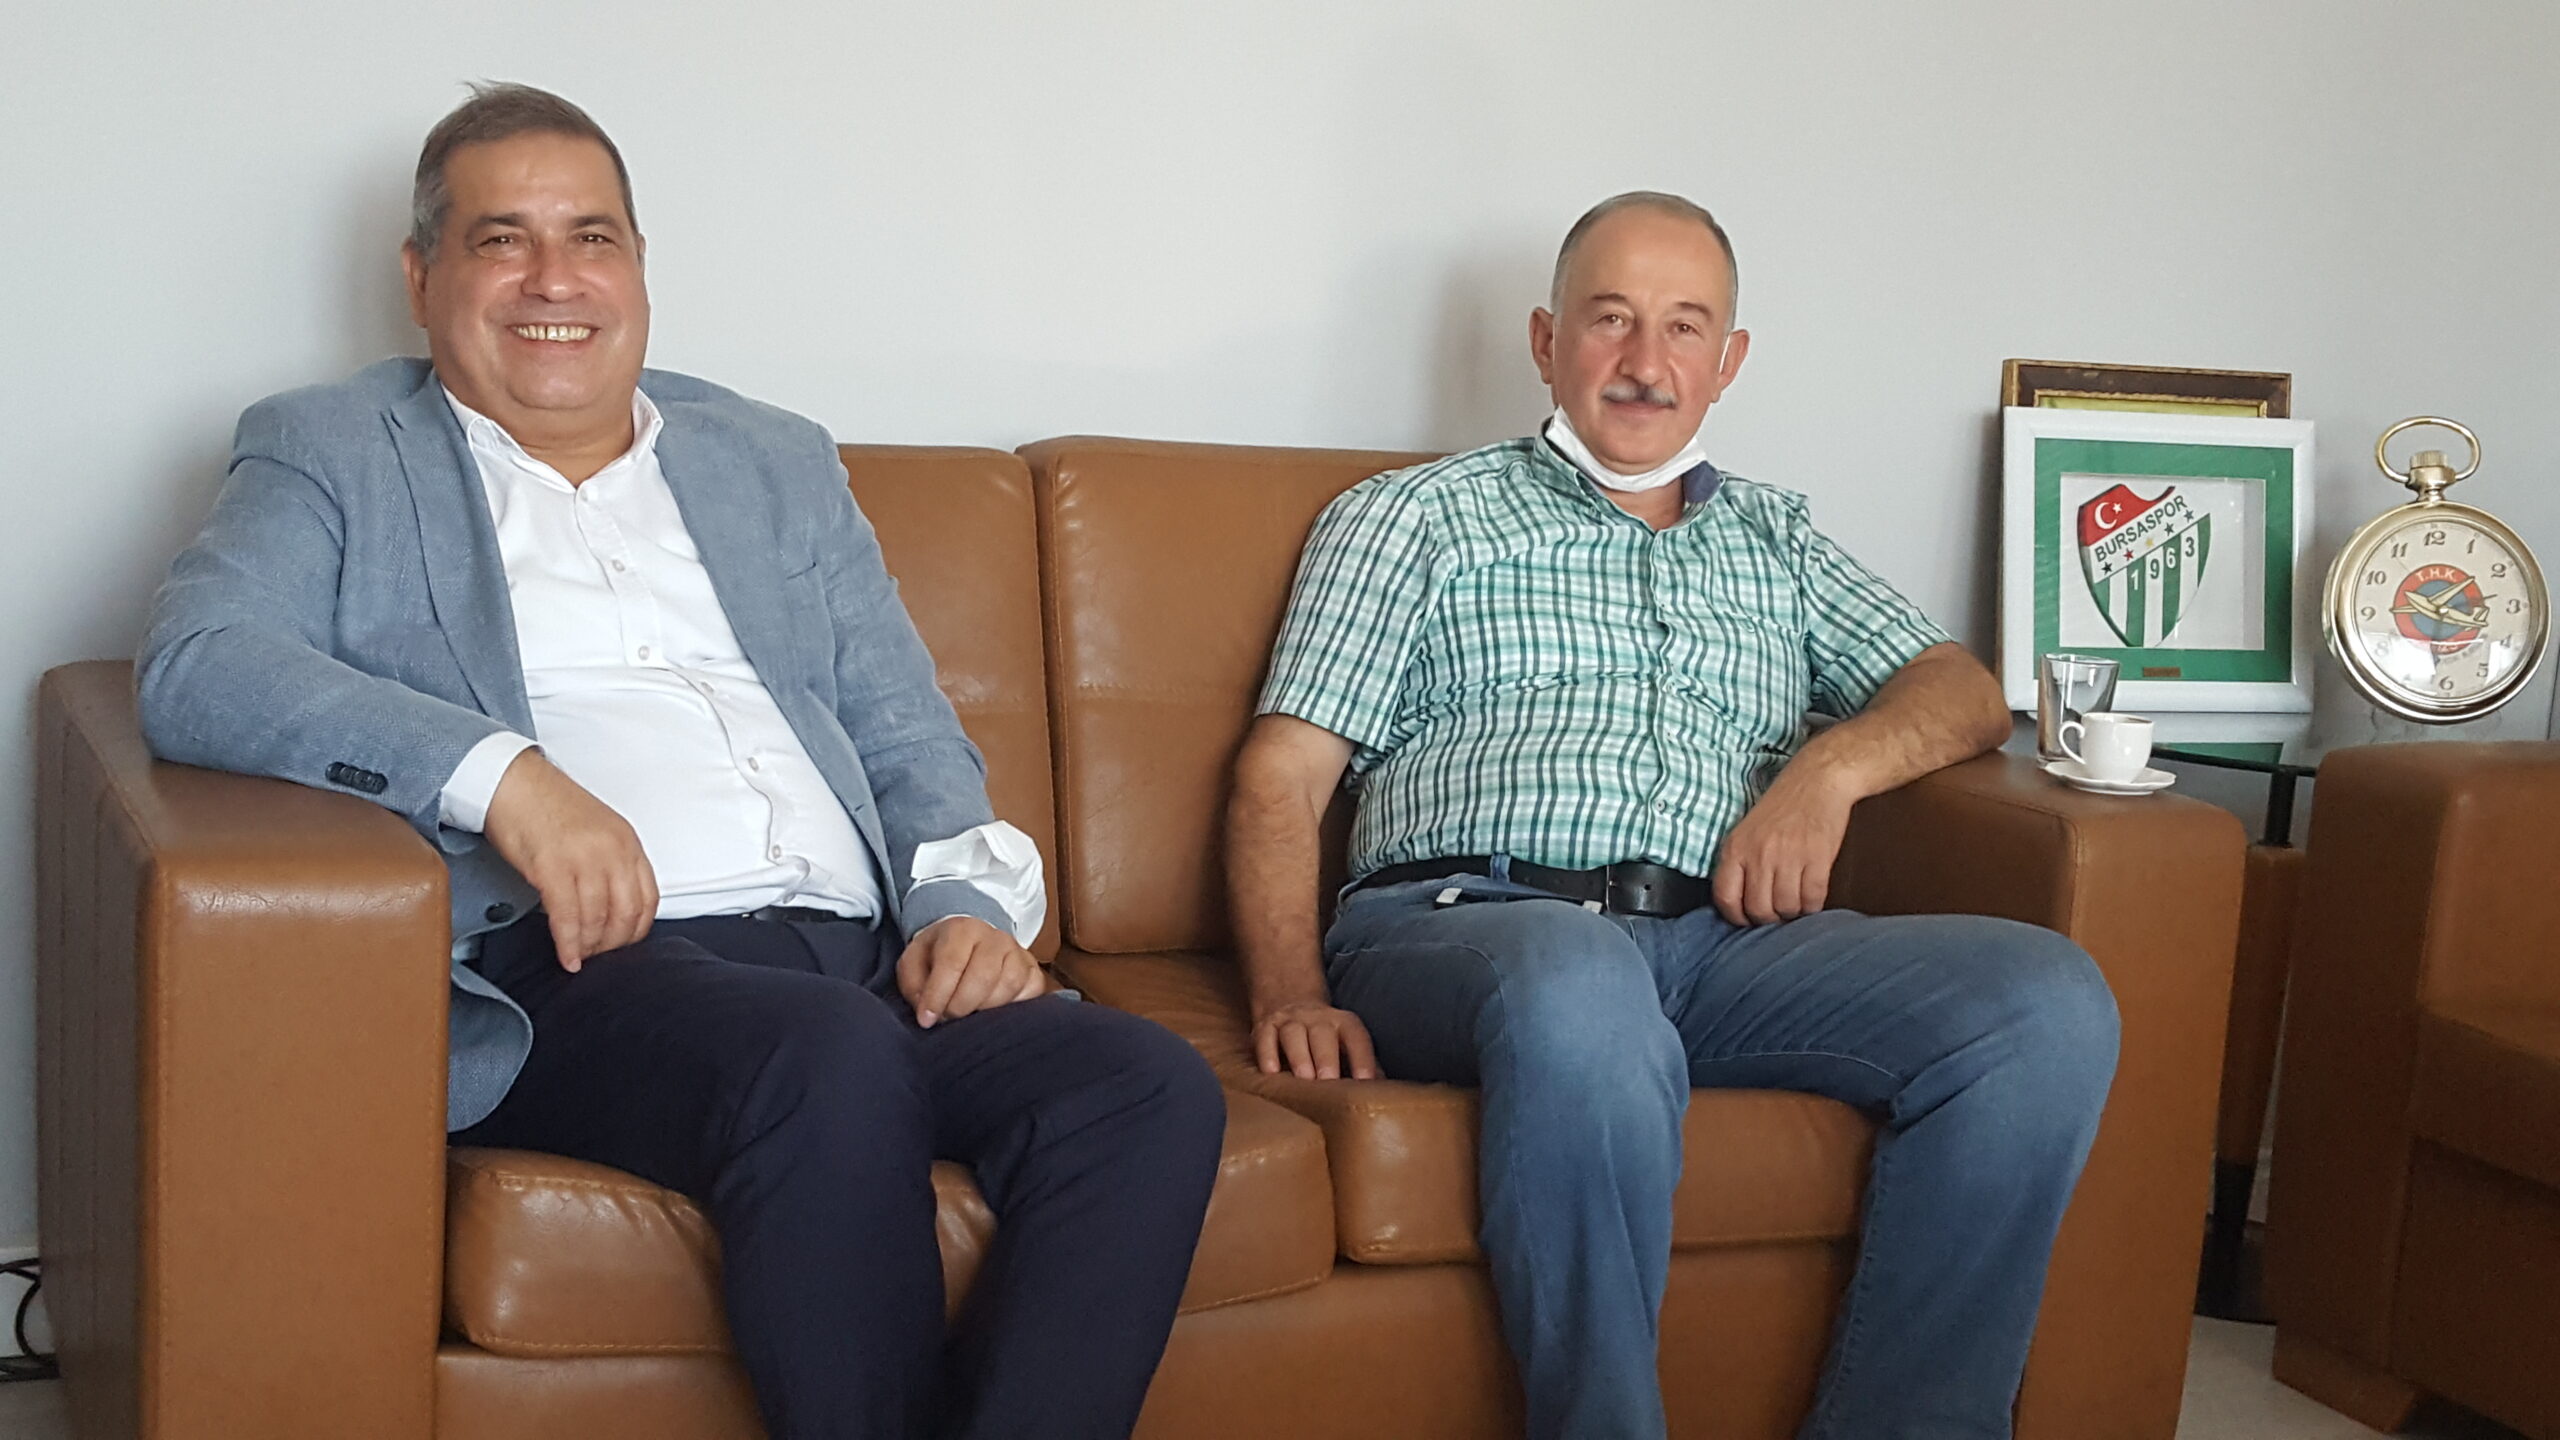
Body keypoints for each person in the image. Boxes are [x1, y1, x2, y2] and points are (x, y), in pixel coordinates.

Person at [138, 83, 1223, 1440]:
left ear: (640, 268)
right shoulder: (336, 449)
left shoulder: (773, 459)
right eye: (501, 240)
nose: (554, 280)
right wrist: (504, 777)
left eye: (591, 238)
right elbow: (202, 662)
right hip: (583, 974)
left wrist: (959, 910)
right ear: (420, 277)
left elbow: (902, 728)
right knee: (824, 1056)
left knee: (1141, 1086)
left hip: (859, 967)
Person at [1225, 191, 2121, 1440]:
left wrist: (1824, 775)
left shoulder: (1775, 537)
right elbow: (1281, 776)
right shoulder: (1415, 516)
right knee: (1578, 978)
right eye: (1610, 320)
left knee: (2042, 1003)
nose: (1645, 362)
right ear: (1545, 341)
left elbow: (1961, 690)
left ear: (1727, 361)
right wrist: (1287, 993)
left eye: (1684, 328)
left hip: (1723, 946)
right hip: (1467, 921)